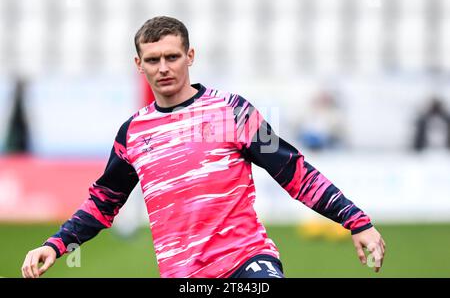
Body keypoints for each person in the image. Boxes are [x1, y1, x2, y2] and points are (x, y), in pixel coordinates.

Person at [22, 16, 385, 278]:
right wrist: (55, 245)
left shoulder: (234, 111)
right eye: (153, 60)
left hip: (247, 263)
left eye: (172, 57)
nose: (163, 68)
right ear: (139, 65)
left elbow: (295, 173)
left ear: (190, 56)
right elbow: (103, 203)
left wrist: (356, 221)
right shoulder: (131, 133)